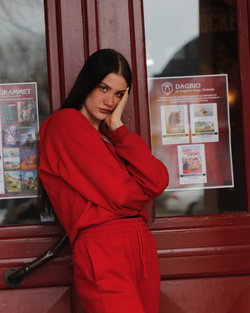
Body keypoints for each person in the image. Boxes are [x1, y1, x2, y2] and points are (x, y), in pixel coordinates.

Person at [38, 49, 169, 313]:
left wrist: (119, 129)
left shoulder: (109, 138)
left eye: (119, 94)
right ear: (87, 83)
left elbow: (156, 183)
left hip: (138, 243)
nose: (109, 101)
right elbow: (122, 194)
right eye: (103, 88)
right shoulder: (65, 125)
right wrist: (136, 193)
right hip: (103, 246)